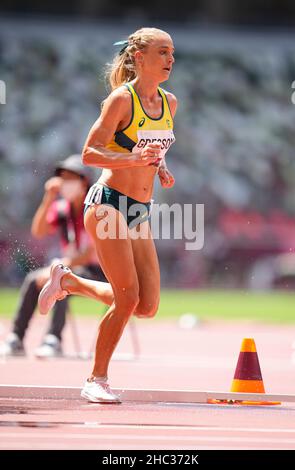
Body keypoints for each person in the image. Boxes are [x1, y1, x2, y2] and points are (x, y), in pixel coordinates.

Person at [38, 27, 177, 402]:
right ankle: (95, 379)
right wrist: (134, 159)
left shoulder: (169, 103)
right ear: (139, 58)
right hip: (107, 203)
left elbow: (152, 147)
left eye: (172, 53)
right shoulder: (121, 100)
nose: (170, 59)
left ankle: (69, 283)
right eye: (162, 52)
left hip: (140, 210)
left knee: (146, 306)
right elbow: (89, 153)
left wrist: (159, 169)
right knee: (127, 298)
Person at [3, 154, 105, 358]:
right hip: (71, 268)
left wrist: (59, 268)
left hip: (99, 272)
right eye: (62, 177)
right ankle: (16, 337)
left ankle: (53, 339)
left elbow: (90, 253)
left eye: (69, 178)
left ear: (84, 181)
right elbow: (39, 231)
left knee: (61, 280)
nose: (64, 183)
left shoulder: (97, 209)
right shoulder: (62, 210)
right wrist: (48, 197)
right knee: (33, 280)